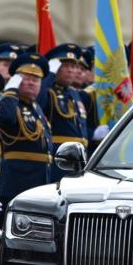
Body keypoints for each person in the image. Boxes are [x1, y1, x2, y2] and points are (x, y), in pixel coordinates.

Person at [0, 53, 53, 208]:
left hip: (40, 181)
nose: (31, 83)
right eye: (26, 79)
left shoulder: (36, 107)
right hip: (18, 181)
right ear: (16, 81)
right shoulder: (11, 104)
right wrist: (10, 91)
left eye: (35, 80)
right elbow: (6, 118)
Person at [41, 44, 89, 183]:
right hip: (59, 158)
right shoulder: (49, 91)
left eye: (73, 66)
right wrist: (49, 75)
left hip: (80, 157)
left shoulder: (73, 93)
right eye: (65, 66)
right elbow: (38, 102)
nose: (70, 70)